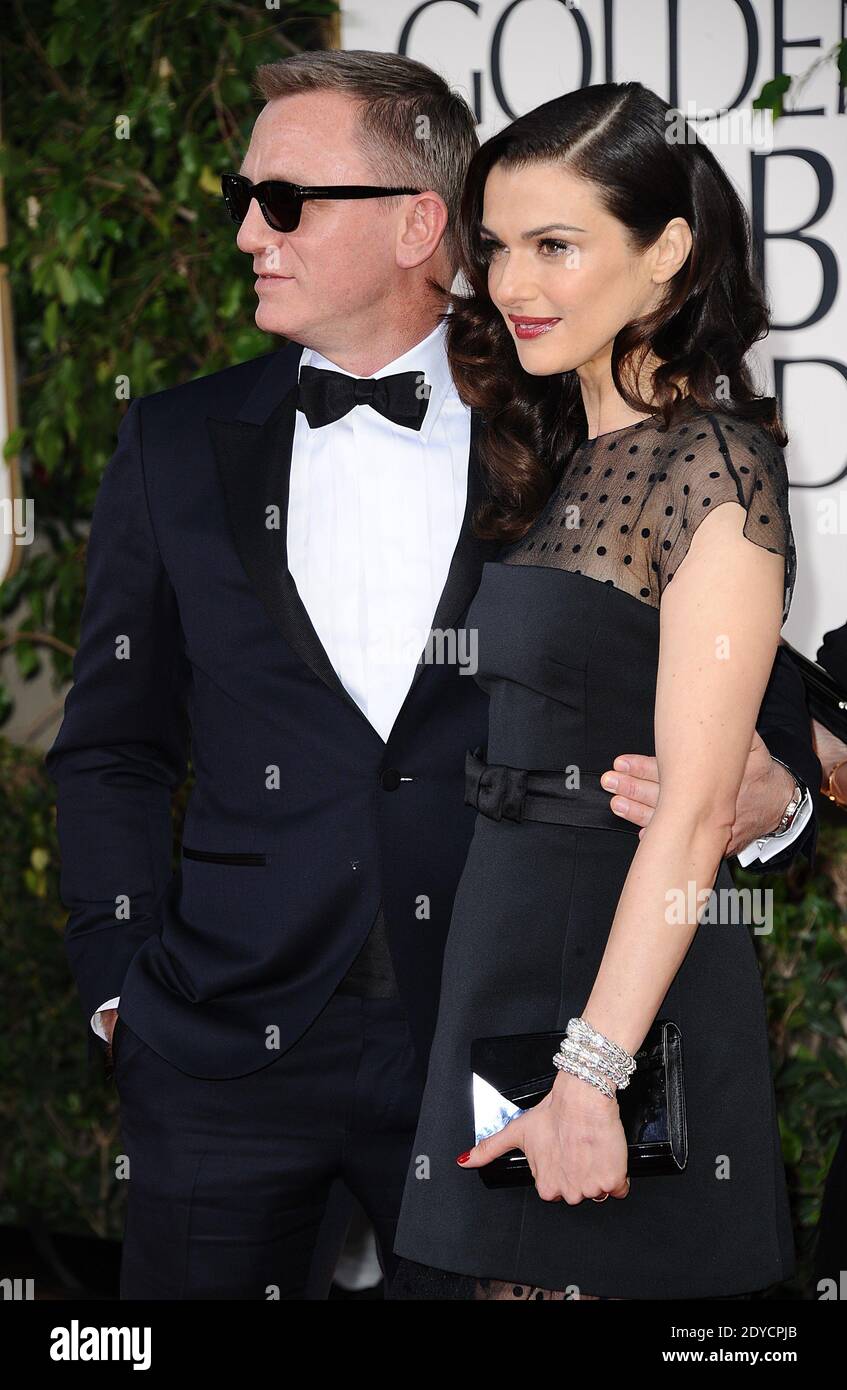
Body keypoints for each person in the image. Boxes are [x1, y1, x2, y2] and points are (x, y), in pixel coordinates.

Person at [44, 54, 818, 1300]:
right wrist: (119, 990)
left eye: (287, 200)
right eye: (244, 195)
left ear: (415, 223)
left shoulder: (574, 413)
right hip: (224, 1040)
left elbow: (726, 670)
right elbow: (111, 744)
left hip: (501, 1018)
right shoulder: (173, 441)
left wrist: (773, 794)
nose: (250, 229)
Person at [390, 80, 816, 1301]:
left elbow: (689, 811)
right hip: (507, 945)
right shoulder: (559, 460)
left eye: (556, 245)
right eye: (499, 247)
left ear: (668, 254)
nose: (513, 281)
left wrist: (592, 1073)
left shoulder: (713, 464)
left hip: (619, 991)